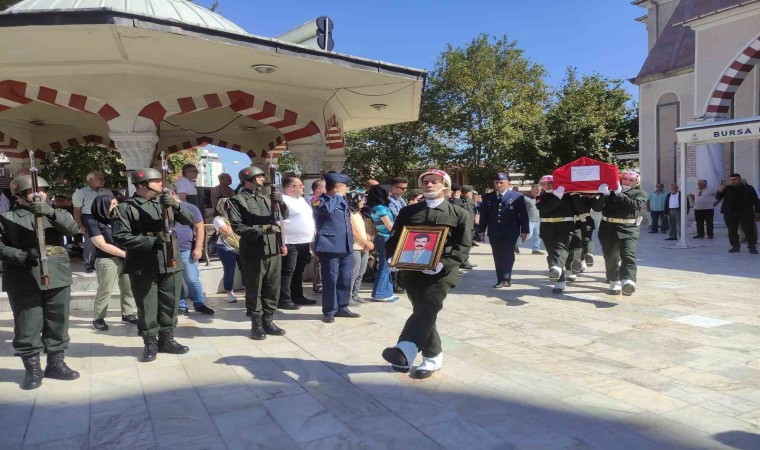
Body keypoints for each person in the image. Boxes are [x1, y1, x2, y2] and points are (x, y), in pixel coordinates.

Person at [382, 169, 472, 379]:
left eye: (434, 182)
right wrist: (392, 258)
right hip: (413, 271)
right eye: (425, 182)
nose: (429, 185)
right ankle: (433, 356)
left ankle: (405, 350)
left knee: (429, 305)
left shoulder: (459, 214)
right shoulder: (408, 212)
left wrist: (443, 264)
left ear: (445, 186)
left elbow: (463, 247)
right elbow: (395, 239)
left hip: (442, 273)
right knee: (422, 311)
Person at [0, 174, 80, 390]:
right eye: (31, 192)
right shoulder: (6, 217)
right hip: (24, 277)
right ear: (18, 196)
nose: (39, 194)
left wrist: (50, 213)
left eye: (43, 190)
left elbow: (73, 230)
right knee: (28, 324)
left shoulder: (57, 213)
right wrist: (22, 256)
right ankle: (33, 369)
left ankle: (56, 364)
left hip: (57, 273)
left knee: (57, 321)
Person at [112, 168, 195, 362]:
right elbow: (120, 236)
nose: (161, 184)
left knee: (170, 302)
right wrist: (153, 241)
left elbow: (189, 220)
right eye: (157, 181)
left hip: (170, 259)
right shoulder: (126, 207)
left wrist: (176, 204)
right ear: (142, 185)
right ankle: (150, 343)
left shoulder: (166, 201)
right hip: (144, 262)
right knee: (147, 304)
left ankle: (167, 339)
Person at [228, 166, 289, 340]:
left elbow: (281, 217)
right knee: (255, 287)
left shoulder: (265, 199)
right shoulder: (236, 200)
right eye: (259, 176)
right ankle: (256, 323)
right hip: (253, 250)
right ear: (249, 179)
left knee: (272, 286)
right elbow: (237, 227)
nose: (263, 179)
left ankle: (268, 319)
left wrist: (281, 202)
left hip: (272, 248)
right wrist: (262, 232)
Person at [313, 172, 361, 323]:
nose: (346, 189)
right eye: (344, 186)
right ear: (336, 187)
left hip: (345, 245)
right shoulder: (318, 201)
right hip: (329, 246)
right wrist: (337, 196)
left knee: (345, 279)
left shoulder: (342, 201)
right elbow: (326, 210)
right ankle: (329, 310)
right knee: (330, 279)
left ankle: (342, 307)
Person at [87, 194, 138, 331]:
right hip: (108, 260)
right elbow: (102, 245)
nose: (116, 207)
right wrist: (126, 254)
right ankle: (98, 318)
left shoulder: (120, 218)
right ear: (103, 206)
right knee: (105, 290)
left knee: (128, 288)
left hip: (126, 258)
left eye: (117, 204)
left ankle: (128, 314)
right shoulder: (93, 222)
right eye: (113, 204)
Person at [593, 171, 647, 295]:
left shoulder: (640, 193)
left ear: (636, 183)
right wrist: (604, 195)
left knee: (628, 253)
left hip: (628, 228)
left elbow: (634, 205)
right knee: (610, 255)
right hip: (608, 227)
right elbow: (596, 208)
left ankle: (628, 280)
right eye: (625, 179)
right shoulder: (611, 192)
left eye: (631, 180)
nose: (627, 181)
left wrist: (619, 193)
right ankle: (614, 280)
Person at [478, 172, 529, 288]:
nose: (499, 185)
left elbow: (523, 215)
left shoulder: (517, 196)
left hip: (511, 231)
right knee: (497, 254)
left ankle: (506, 278)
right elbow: (484, 215)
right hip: (494, 231)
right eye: (497, 183)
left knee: (507, 253)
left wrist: (524, 230)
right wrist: (481, 230)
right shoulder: (488, 197)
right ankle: (500, 279)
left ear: (508, 183)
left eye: (502, 182)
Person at [279, 176, 317, 309]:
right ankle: (284, 298)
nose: (303, 187)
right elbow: (278, 223)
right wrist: (282, 243)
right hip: (290, 242)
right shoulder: (282, 200)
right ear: (291, 187)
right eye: (300, 185)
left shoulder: (300, 199)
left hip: (304, 241)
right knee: (288, 270)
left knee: (299, 270)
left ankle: (297, 296)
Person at [174, 191, 214, 316]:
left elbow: (199, 227)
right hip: (169, 250)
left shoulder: (190, 208)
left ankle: (199, 303)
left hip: (186, 248)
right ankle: (181, 305)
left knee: (192, 279)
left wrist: (198, 247)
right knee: (175, 280)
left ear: (173, 194)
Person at [535, 175, 576, 293]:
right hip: (547, 228)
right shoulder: (540, 196)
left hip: (565, 227)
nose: (547, 186)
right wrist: (557, 196)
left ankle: (556, 271)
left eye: (550, 183)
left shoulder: (567, 195)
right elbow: (544, 209)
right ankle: (560, 280)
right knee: (552, 253)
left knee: (561, 248)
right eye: (544, 184)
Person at [72, 171, 112, 273]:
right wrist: (80, 225)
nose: (103, 181)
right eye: (100, 179)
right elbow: (77, 210)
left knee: (108, 239)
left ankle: (107, 261)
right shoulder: (80, 193)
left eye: (103, 179)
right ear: (90, 180)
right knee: (91, 242)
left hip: (105, 218)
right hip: (89, 217)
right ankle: (89, 265)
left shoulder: (107, 192)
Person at [367, 184, 398, 302]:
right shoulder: (380, 208)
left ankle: (387, 292)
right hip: (385, 238)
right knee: (384, 266)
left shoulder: (378, 206)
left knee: (387, 266)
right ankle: (380, 294)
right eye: (388, 192)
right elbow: (389, 226)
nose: (389, 194)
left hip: (384, 238)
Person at [716, 173, 758, 254]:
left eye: (735, 179)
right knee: (732, 230)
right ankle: (735, 246)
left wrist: (757, 211)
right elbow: (718, 198)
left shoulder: (748, 188)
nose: (733, 181)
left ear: (739, 179)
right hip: (730, 213)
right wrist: (720, 190)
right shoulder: (727, 188)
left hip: (745, 212)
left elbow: (756, 200)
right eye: (731, 180)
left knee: (749, 230)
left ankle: (752, 247)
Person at [212, 198, 242, 303]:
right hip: (225, 247)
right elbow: (227, 231)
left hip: (240, 245)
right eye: (228, 206)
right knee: (230, 270)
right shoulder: (218, 219)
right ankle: (230, 292)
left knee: (246, 268)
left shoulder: (238, 216)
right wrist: (237, 222)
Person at [347, 191, 373, 304]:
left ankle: (355, 295)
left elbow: (362, 229)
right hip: (355, 246)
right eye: (361, 200)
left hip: (363, 246)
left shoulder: (358, 213)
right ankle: (347, 297)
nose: (363, 202)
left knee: (361, 272)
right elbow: (353, 232)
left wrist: (367, 239)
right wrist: (365, 242)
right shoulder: (348, 214)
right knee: (353, 273)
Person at [388, 177, 409, 294]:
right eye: (402, 188)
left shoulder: (401, 200)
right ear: (394, 188)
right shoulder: (390, 201)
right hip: (395, 232)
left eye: (405, 188)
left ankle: (401, 281)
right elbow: (397, 216)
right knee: (394, 258)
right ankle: (394, 283)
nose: (404, 190)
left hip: (403, 231)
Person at [307, 179, 326, 294]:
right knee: (318, 258)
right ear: (319, 189)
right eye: (324, 188)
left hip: (322, 232)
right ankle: (319, 284)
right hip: (315, 232)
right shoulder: (309, 201)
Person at [523, 183, 544, 255]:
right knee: (528, 235)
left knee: (538, 235)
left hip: (537, 220)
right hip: (529, 220)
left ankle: (536, 249)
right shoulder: (526, 198)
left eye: (540, 189)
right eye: (537, 189)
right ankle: (513, 244)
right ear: (532, 189)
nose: (539, 190)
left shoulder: (540, 199)